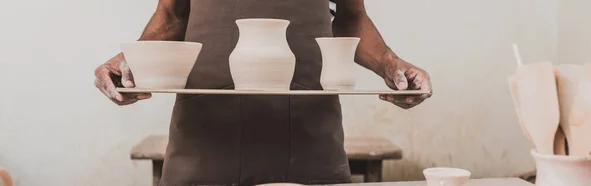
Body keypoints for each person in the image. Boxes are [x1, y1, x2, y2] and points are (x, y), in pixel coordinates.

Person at [94, 0, 432, 185]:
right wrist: (134, 60)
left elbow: (351, 18)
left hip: (308, 133)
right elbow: (170, 15)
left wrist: (391, 64)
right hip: (205, 135)